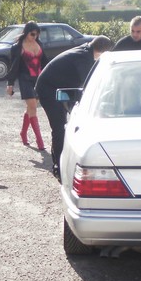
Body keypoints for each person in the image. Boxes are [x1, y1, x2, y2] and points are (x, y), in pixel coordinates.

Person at [36, 36, 113, 180]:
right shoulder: (84, 58)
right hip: (48, 88)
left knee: (66, 125)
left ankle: (62, 160)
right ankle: (59, 165)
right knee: (59, 128)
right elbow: (88, 84)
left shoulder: (86, 51)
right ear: (102, 52)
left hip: (58, 86)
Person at [6, 21, 48, 150]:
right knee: (33, 107)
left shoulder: (39, 44)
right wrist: (10, 84)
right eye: (32, 34)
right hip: (25, 79)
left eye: (37, 34)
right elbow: (13, 67)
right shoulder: (17, 47)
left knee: (31, 108)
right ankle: (40, 141)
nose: (34, 37)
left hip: (38, 79)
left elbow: (45, 62)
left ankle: (23, 133)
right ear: (26, 32)